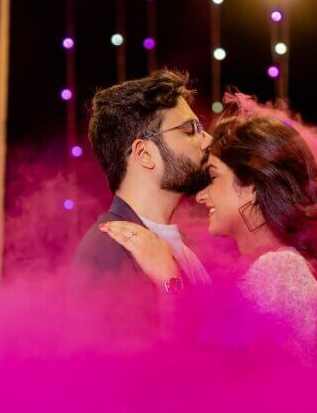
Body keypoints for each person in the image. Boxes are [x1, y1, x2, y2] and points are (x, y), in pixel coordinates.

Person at [100, 106, 317, 363]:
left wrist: (169, 280)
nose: (201, 196)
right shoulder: (265, 265)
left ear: (251, 186)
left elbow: (210, 373)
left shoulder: (281, 270)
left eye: (213, 177)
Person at [69, 70, 213, 340]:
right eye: (190, 130)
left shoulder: (184, 244)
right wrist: (172, 287)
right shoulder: (108, 251)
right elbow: (135, 377)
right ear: (144, 154)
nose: (208, 140)